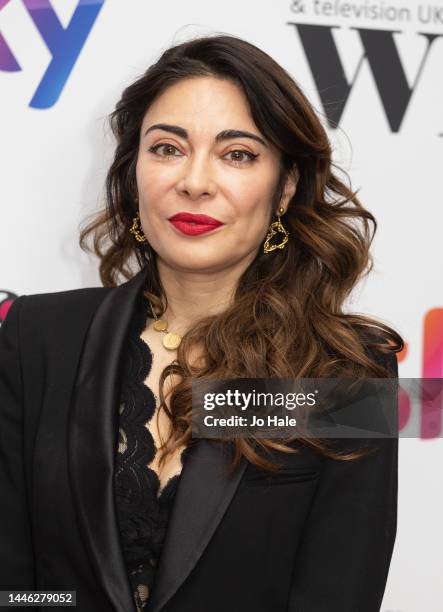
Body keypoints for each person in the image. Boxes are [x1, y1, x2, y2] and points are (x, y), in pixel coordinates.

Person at [0, 34, 403, 612]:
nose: (194, 181)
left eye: (237, 154)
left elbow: (337, 591)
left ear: (285, 186)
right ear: (132, 169)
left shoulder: (348, 370)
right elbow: (19, 587)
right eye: (167, 148)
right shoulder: (37, 336)